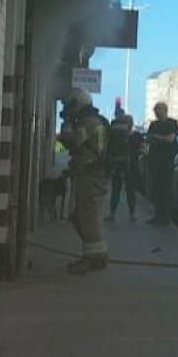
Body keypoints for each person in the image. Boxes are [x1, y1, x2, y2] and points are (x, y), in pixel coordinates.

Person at [56, 88, 111, 273]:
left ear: (76, 103)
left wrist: (67, 122)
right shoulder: (94, 120)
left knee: (87, 217)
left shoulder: (87, 122)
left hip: (90, 176)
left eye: (69, 105)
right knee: (83, 217)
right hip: (90, 174)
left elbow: (69, 141)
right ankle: (97, 256)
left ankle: (92, 259)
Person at [145, 101, 178, 224]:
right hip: (155, 161)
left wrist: (157, 137)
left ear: (164, 110)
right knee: (156, 189)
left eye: (157, 110)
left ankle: (165, 217)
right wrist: (157, 138)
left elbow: (170, 139)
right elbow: (148, 139)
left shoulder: (171, 123)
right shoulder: (154, 124)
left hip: (166, 162)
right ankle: (158, 215)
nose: (155, 112)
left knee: (165, 189)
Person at [105, 107, 136, 223]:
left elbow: (110, 143)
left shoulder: (114, 125)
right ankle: (132, 214)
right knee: (129, 189)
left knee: (116, 189)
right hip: (127, 161)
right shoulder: (129, 126)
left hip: (117, 161)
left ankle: (112, 214)